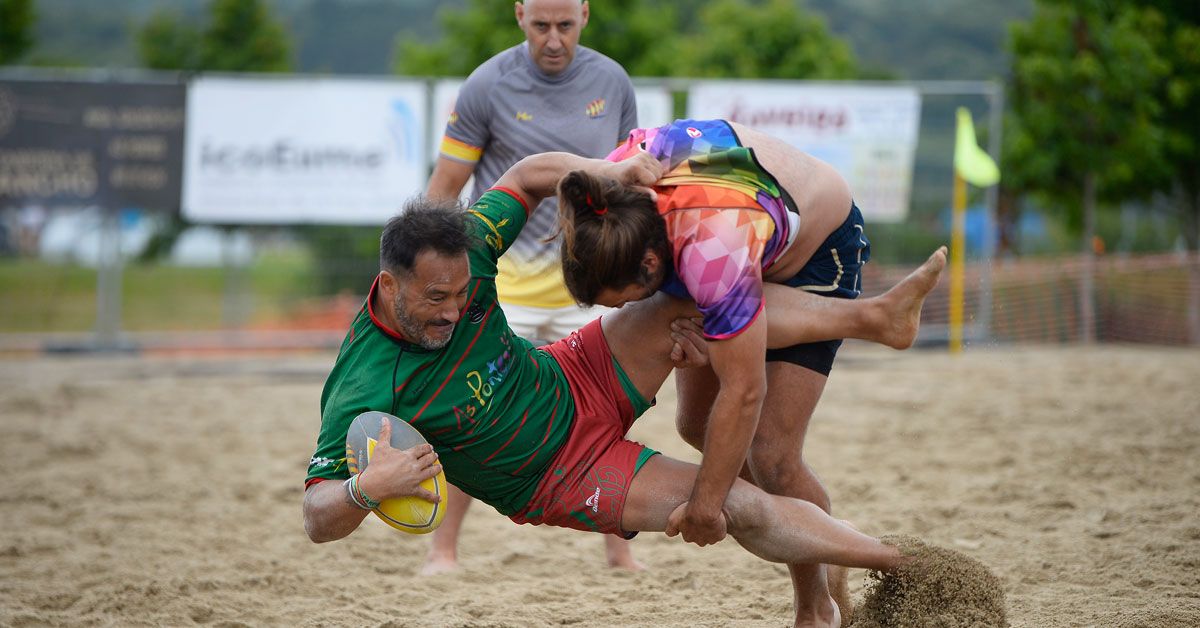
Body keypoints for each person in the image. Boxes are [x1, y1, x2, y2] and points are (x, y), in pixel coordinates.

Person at [303, 151, 946, 627]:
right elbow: (317, 518)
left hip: (573, 372)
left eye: (462, 294)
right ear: (388, 287)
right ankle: (908, 566)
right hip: (561, 474)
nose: (452, 309)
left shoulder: (464, 246)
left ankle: (871, 316)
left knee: (685, 299)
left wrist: (603, 172)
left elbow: (528, 176)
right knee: (736, 503)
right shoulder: (362, 381)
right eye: (435, 299)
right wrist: (366, 489)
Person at [554, 118, 947, 627]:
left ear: (652, 264)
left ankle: (815, 607)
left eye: (632, 296)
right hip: (739, 228)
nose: (636, 308)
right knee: (695, 426)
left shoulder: (711, 251)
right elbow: (539, 172)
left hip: (814, 249)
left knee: (771, 456)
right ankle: (818, 527)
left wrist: (707, 505)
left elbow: (744, 392)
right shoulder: (610, 191)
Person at [423, 0, 641, 573]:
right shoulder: (485, 85)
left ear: (585, 16)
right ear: (519, 14)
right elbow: (447, 184)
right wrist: (424, 273)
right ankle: (443, 550)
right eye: (540, 24)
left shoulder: (612, 81)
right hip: (504, 287)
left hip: (585, 283)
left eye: (564, 25)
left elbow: (626, 182)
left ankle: (619, 554)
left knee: (612, 415)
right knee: (471, 418)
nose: (552, 39)